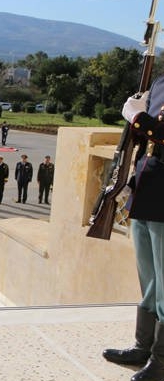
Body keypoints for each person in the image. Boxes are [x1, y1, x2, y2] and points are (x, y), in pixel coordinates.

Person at [103, 80, 164, 380]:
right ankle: (144, 347)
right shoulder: (160, 82)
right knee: (149, 278)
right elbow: (145, 142)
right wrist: (130, 177)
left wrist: (138, 117)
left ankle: (162, 362)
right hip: (145, 191)